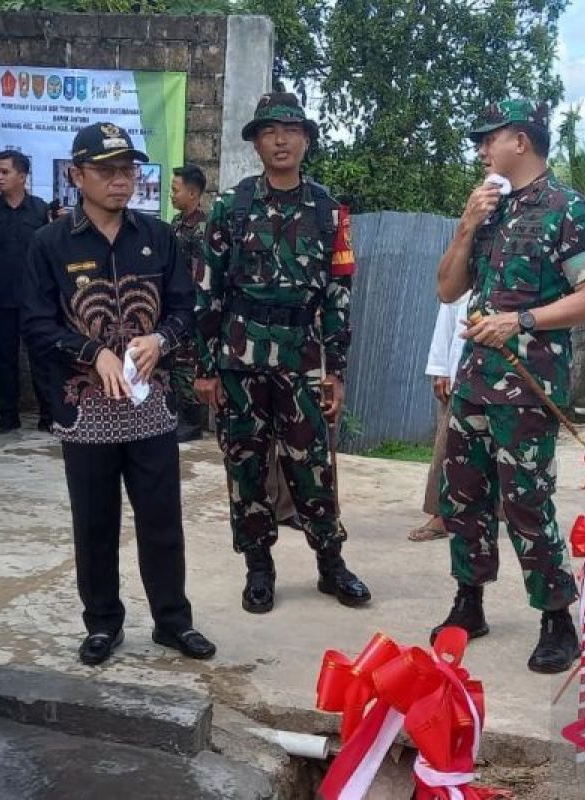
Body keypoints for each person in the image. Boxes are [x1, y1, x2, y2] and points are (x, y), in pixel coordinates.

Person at [23, 122, 215, 666]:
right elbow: (36, 324)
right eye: (106, 170)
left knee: (162, 520)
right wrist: (93, 353)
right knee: (95, 522)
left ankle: (173, 622)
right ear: (76, 175)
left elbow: (185, 308)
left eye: (127, 169)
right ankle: (103, 622)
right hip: (85, 412)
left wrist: (161, 337)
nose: (120, 180)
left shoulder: (158, 236)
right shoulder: (50, 244)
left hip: (149, 409)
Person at [432, 99, 585, 674]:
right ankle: (469, 601)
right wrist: (465, 226)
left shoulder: (571, 210)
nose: (482, 149)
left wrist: (522, 320)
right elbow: (446, 290)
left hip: (527, 387)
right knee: (462, 498)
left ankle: (557, 617)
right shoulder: (489, 209)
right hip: (474, 383)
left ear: (522, 141)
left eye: (491, 138)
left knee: (527, 503)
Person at [194, 92, 371, 614]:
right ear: (255, 142)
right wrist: (205, 369)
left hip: (302, 357)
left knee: (312, 464)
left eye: (291, 130)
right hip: (239, 358)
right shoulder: (232, 206)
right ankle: (258, 568)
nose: (280, 139)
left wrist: (335, 370)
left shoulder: (328, 210)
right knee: (245, 464)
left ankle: (330, 564)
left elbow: (340, 293)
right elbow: (207, 289)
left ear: (307, 140)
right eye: (269, 131)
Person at [0, 150, 54, 434]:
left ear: (22, 176)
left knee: (42, 358)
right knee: (2, 359)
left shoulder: (41, 210)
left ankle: (48, 415)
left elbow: (51, 256)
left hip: (35, 299)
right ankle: (7, 415)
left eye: (5, 172)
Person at [408, 294, 469, 542]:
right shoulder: (467, 261)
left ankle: (498, 513)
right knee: (448, 446)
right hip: (460, 373)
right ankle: (441, 514)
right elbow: (448, 311)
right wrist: (440, 369)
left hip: (504, 378)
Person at [168, 163, 209, 443]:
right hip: (176, 303)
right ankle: (179, 416)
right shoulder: (177, 223)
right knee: (176, 360)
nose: (172, 194)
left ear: (192, 193)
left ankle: (193, 422)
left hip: (194, 304)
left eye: (175, 189)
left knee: (190, 362)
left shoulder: (203, 228)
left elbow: (201, 272)